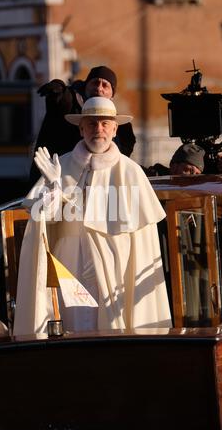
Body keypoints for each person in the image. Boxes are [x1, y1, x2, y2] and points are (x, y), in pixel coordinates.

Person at [14, 97, 171, 335]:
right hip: (69, 262)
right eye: (92, 123)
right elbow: (41, 220)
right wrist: (54, 188)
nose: (99, 129)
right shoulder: (61, 165)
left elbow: (143, 245)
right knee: (73, 329)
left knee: (111, 328)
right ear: (81, 128)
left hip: (115, 265)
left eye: (105, 123)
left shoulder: (131, 172)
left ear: (115, 128)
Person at [29, 66, 136, 184]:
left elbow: (121, 161)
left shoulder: (124, 130)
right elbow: (62, 99)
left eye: (105, 85)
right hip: (60, 180)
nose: (99, 88)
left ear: (112, 95)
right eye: (95, 83)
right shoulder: (71, 102)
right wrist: (58, 86)